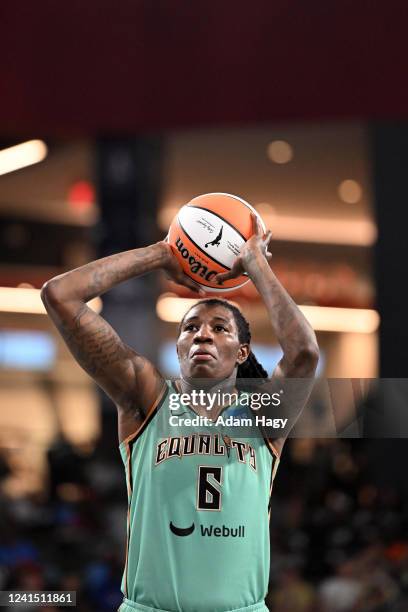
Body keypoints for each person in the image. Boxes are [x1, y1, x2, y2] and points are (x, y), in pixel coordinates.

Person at [41, 213, 319, 612]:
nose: (202, 333)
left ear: (242, 352)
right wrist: (160, 254)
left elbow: (305, 353)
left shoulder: (263, 416)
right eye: (190, 328)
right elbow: (59, 295)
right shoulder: (147, 400)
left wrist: (257, 265)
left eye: (220, 328)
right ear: (177, 348)